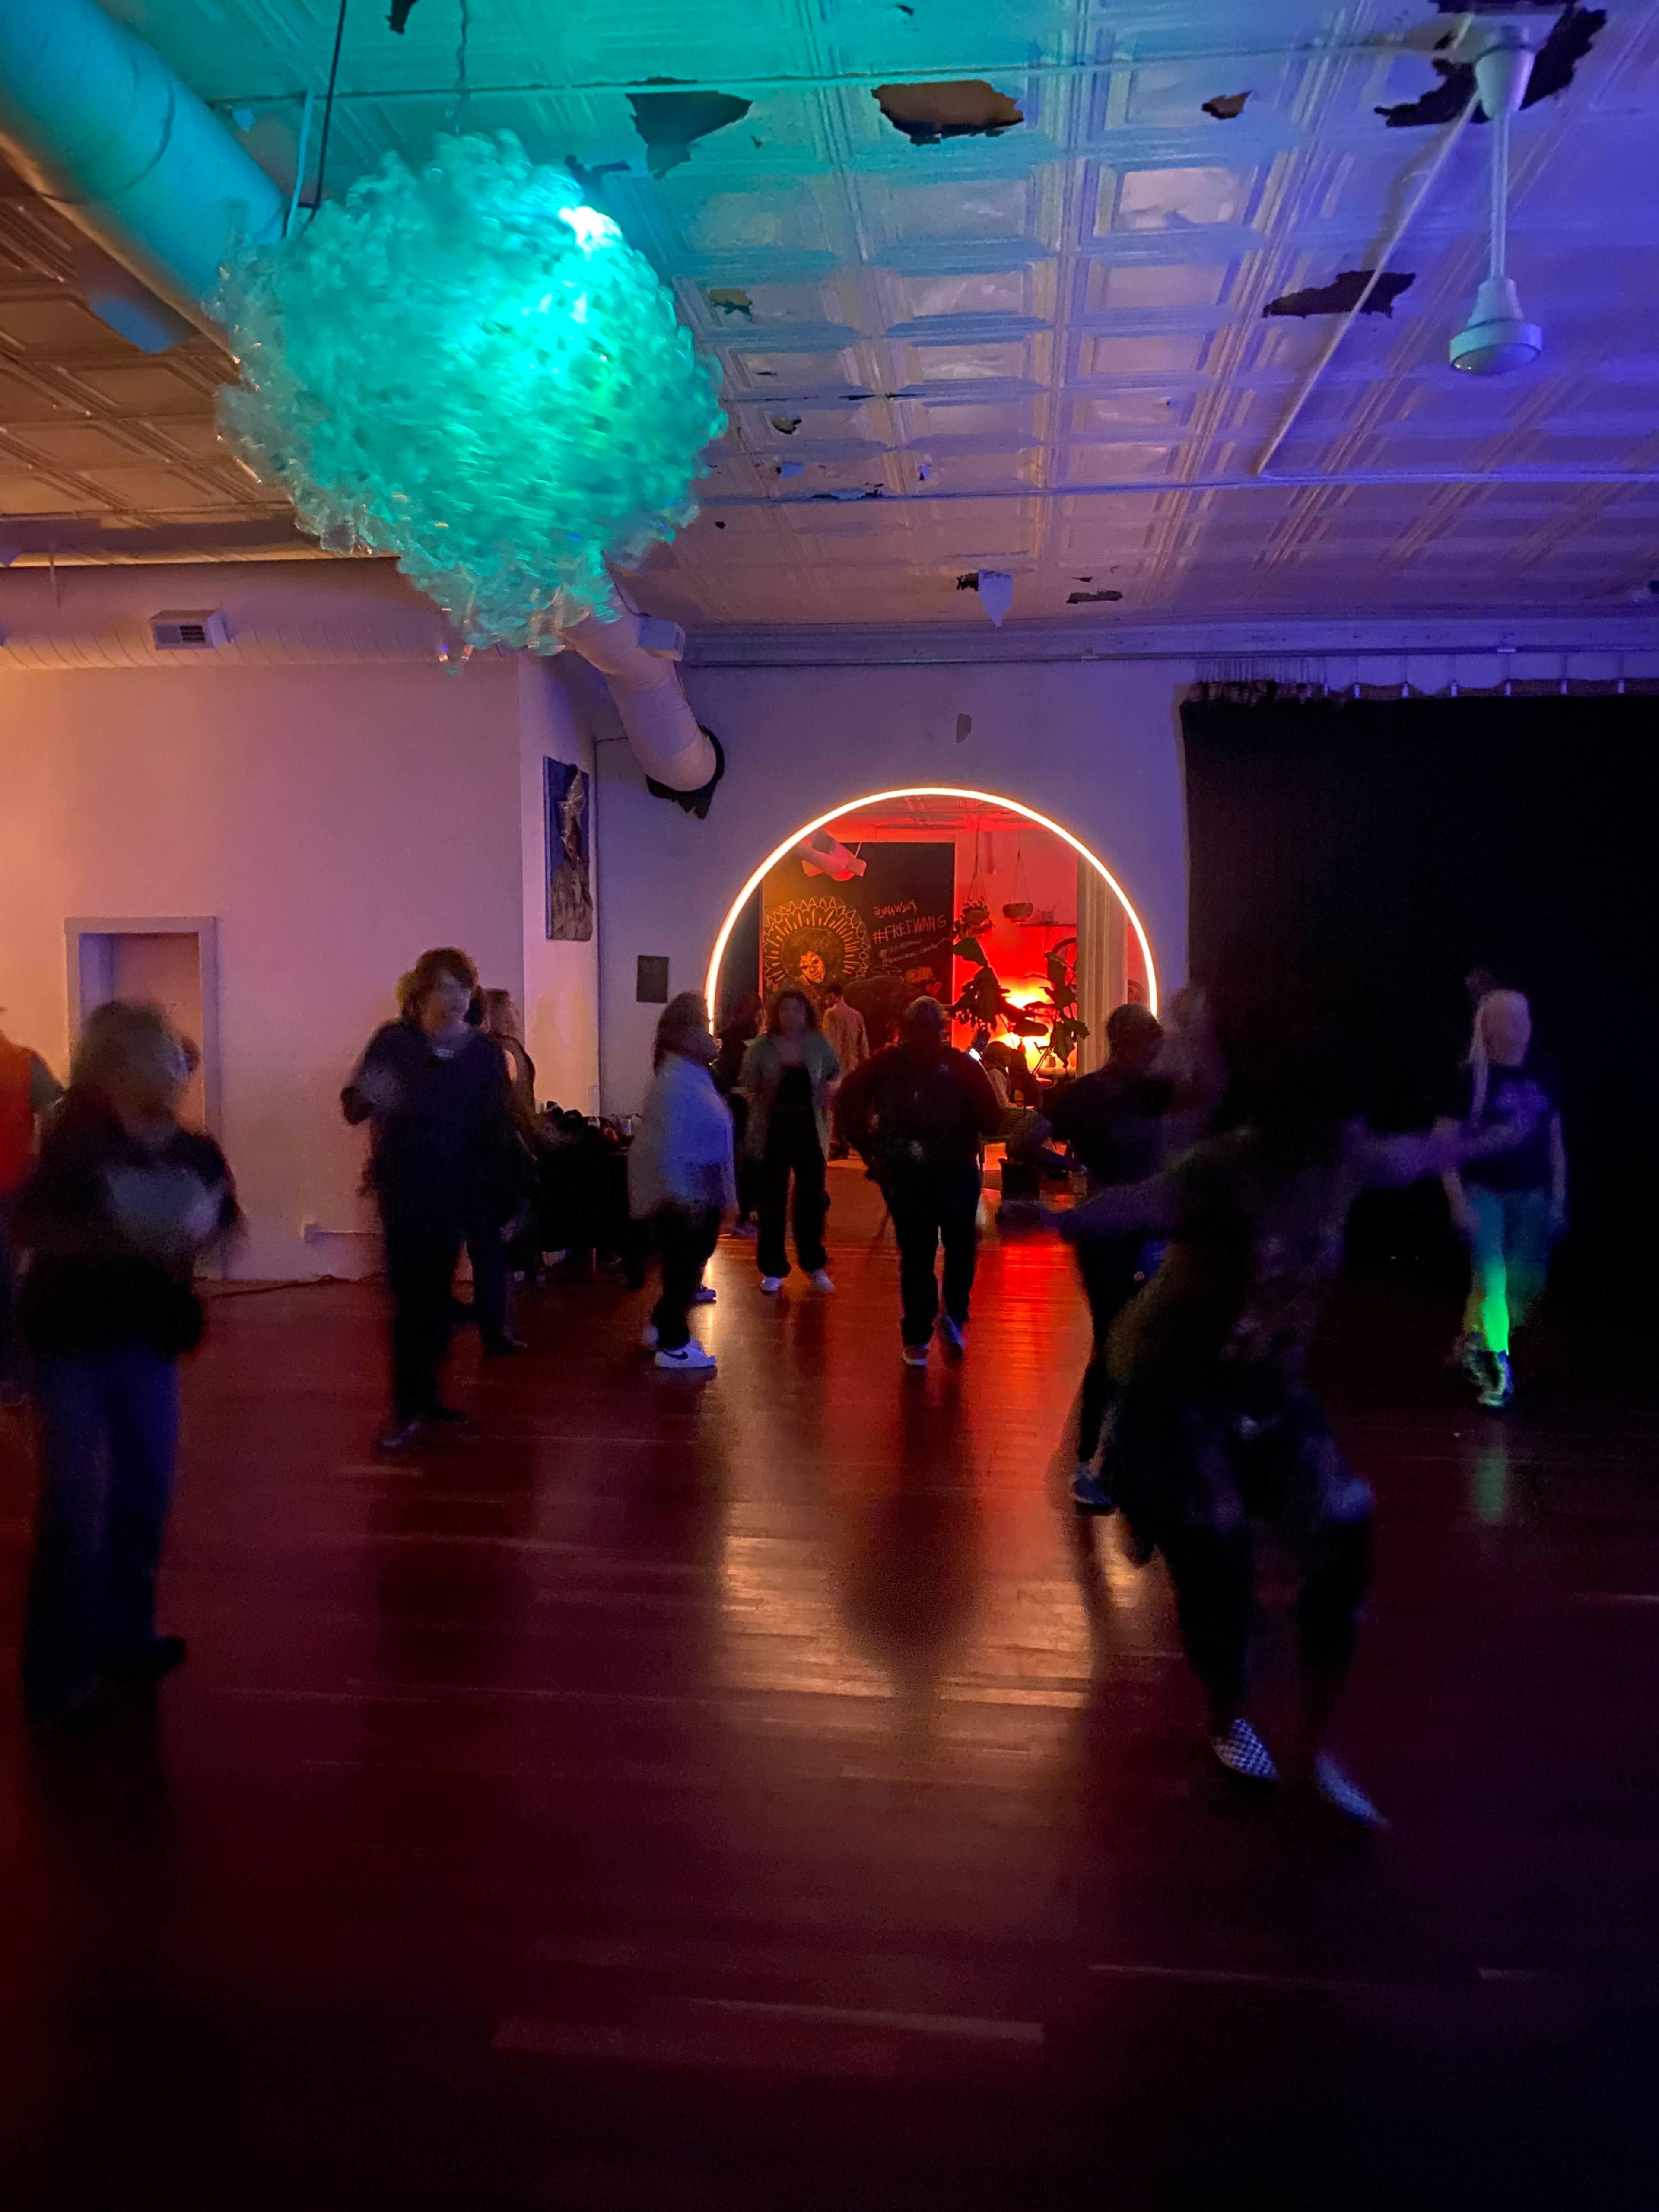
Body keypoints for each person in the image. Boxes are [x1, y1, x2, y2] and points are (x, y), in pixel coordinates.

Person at [1050, 1034, 1534, 1822]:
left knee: (1346, 1533)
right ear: (1293, 1124)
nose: (1344, 1138)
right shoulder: (1231, 1168)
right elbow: (1149, 1202)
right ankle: (1228, 1709)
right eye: (1331, 1124)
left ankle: (1313, 1748)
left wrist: (1496, 1136)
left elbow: (1410, 1155)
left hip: (1267, 1389)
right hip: (1178, 1390)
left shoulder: (1344, 1158)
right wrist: (1062, 1221)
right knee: (1218, 1553)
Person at [13, 1000, 240, 1728]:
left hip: (143, 1339)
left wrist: (200, 1227)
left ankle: (124, 1638)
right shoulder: (77, 1148)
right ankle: (58, 1676)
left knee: (145, 1491)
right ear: (123, 1066)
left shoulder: (193, 1150)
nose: (178, 1066)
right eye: (164, 1054)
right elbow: (35, 1225)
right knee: (74, 1508)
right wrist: (129, 1232)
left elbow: (227, 1221)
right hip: (71, 1342)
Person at [342, 947, 515, 1449]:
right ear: (422, 993)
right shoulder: (395, 1044)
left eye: (464, 987)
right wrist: (375, 1094)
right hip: (405, 1191)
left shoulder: (482, 1055)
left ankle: (429, 1399)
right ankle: (407, 1405)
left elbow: (495, 1129)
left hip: (458, 1194)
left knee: (438, 1299)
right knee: (410, 1297)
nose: (457, 998)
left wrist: (499, 1200)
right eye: (446, 987)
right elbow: (355, 1105)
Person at [835, 996, 1003, 1365]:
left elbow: (845, 1098)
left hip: (905, 1171)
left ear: (904, 1027)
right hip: (956, 1169)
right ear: (941, 1028)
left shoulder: (885, 1064)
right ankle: (955, 1314)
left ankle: (916, 1339)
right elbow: (992, 1118)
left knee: (916, 1255)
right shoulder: (959, 1065)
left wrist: (870, 1151)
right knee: (960, 1246)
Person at [1442, 988, 1563, 1411]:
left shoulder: (1542, 1074)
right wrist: (1457, 1199)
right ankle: (1498, 1367)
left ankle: (1473, 1338)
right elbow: (1445, 1144)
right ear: (1488, 1025)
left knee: (1523, 1285)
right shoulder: (1470, 1076)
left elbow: (1554, 1140)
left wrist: (1559, 1196)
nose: (1521, 1026)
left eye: (1524, 1017)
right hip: (1484, 1192)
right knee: (1491, 1277)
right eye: (1510, 1018)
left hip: (1532, 1195)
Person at [629, 993, 736, 1373]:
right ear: (684, 1034)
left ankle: (661, 1328)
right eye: (703, 1025)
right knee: (683, 1270)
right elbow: (671, 1147)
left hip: (694, 1190)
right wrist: (683, 1196)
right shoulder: (678, 1080)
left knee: (685, 1267)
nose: (710, 1033)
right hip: (686, 1194)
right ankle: (673, 1343)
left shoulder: (688, 1074)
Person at [739, 989, 841, 1295]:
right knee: (772, 1200)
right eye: (785, 1010)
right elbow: (747, 1082)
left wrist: (831, 1091)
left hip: (809, 1127)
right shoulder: (763, 1047)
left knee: (811, 1197)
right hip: (773, 1128)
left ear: (807, 1013)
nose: (791, 1016)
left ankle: (813, 1263)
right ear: (776, 1014)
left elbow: (836, 1075)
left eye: (797, 1010)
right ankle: (773, 1268)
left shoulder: (818, 1045)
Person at [0, 1012, 64, 1407]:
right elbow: (53, 1115)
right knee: (8, 1280)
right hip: (14, 1183)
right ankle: (14, 1376)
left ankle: (11, 1374)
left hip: (12, 1186)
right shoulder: (25, 1062)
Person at [713, 992, 763, 1234]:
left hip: (747, 1104)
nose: (755, 1016)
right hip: (740, 1103)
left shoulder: (744, 1040)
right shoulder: (734, 1040)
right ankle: (742, 1213)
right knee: (743, 1161)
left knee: (750, 1161)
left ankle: (746, 1211)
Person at [821, 982, 869, 1157]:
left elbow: (829, 1042)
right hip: (853, 1067)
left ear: (833, 995)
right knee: (849, 1107)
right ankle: (849, 1142)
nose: (827, 1001)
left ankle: (839, 1145)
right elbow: (863, 1044)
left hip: (837, 1068)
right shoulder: (857, 1015)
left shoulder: (830, 1015)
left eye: (828, 997)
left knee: (835, 1108)